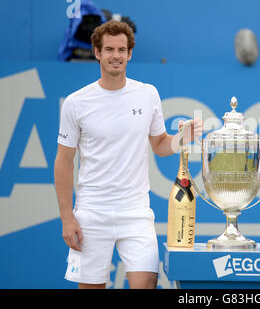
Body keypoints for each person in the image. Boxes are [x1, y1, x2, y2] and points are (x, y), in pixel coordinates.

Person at [54, 20, 202, 289]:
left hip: (136, 213)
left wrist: (182, 139)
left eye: (122, 50)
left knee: (146, 284)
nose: (116, 56)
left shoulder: (147, 94)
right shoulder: (77, 102)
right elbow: (63, 161)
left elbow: (159, 144)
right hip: (91, 213)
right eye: (109, 49)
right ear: (97, 53)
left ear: (130, 53)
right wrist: (67, 216)